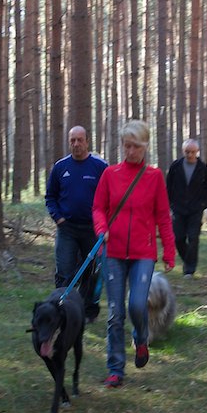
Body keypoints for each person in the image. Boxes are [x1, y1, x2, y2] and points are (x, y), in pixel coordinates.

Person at [92, 120, 175, 389]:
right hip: (113, 251)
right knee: (115, 313)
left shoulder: (154, 176)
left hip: (143, 253)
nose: (130, 151)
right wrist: (101, 229)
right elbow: (98, 207)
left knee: (137, 305)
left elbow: (163, 216)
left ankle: (141, 337)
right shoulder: (110, 174)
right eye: (126, 146)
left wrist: (169, 251)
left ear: (145, 146)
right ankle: (115, 369)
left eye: (135, 146)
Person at [45, 126, 108, 322]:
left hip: (92, 229)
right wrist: (58, 218)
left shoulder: (100, 167)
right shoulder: (60, 167)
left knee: (92, 271)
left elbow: (110, 197)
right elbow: (50, 197)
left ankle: (88, 311)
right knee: (64, 271)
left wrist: (104, 224)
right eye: (72, 140)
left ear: (87, 141)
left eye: (80, 140)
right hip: (67, 229)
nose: (76, 144)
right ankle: (61, 309)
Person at [166, 139, 207, 278]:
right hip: (178, 208)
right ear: (183, 151)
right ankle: (188, 260)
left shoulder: (203, 168)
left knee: (193, 238)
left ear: (197, 152)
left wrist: (205, 205)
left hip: (196, 209)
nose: (190, 155)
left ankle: (189, 269)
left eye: (192, 152)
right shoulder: (175, 166)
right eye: (187, 152)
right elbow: (168, 187)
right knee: (178, 238)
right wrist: (168, 205)